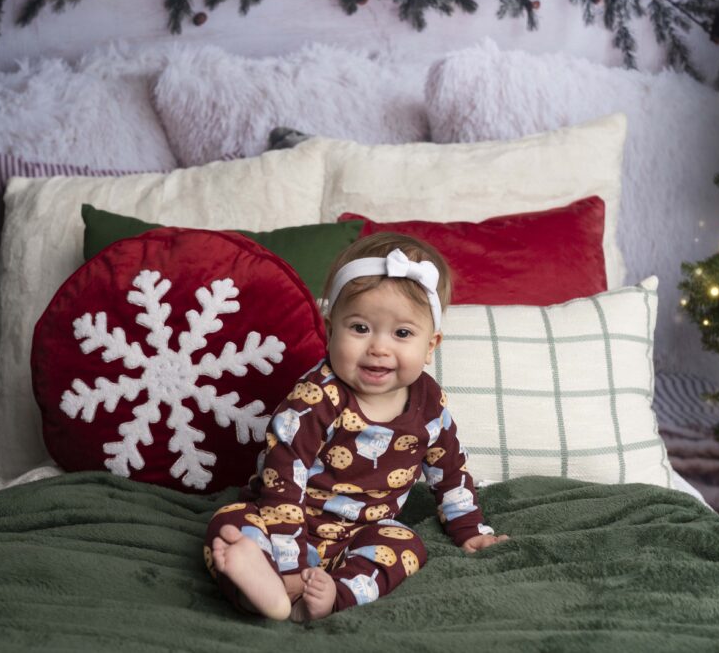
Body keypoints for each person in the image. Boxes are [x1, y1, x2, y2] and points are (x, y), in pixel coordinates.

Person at [203, 233, 508, 622]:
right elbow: (283, 477)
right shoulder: (316, 398)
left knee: (407, 545)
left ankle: (334, 594)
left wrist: (470, 531)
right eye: (360, 328)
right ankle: (264, 589)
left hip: (359, 536)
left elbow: (449, 471)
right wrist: (290, 562)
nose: (379, 347)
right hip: (286, 520)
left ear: (431, 345)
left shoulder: (430, 403)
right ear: (331, 331)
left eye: (402, 334)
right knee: (229, 525)